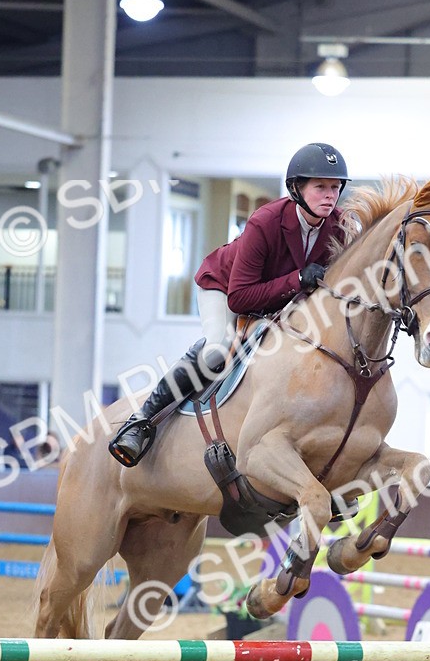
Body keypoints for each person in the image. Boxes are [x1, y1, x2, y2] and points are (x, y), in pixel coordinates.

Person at [109, 142, 350, 467]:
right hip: (223, 288)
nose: (329, 195)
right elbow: (240, 297)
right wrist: (296, 280)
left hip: (279, 303)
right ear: (296, 188)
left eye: (335, 187)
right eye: (320, 187)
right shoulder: (264, 222)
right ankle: (140, 422)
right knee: (217, 350)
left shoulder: (338, 227)